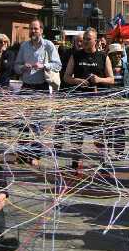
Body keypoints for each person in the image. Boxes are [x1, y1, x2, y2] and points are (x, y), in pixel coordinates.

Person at [64, 28, 114, 170]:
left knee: (100, 135)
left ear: (95, 41)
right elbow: (66, 76)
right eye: (84, 39)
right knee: (76, 135)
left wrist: (99, 79)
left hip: (97, 102)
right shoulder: (76, 56)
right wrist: (77, 81)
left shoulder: (103, 57)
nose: (85, 42)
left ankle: (103, 163)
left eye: (88, 39)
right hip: (79, 101)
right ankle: (75, 163)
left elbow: (111, 79)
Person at [14, 19, 61, 92]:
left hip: (42, 87)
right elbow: (16, 67)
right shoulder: (24, 46)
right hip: (26, 87)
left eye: (35, 29)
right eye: (31, 29)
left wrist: (44, 66)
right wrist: (23, 67)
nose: (33, 31)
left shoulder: (48, 45)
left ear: (41, 31)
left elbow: (58, 65)